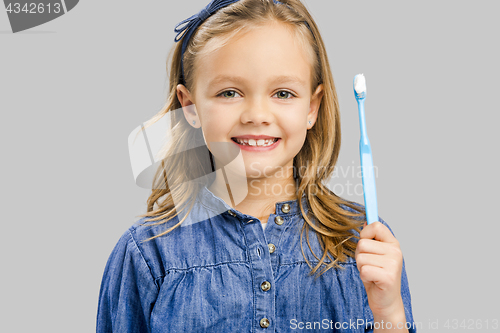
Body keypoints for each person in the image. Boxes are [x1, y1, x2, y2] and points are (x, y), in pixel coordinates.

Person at [96, 0, 416, 332]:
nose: (256, 115)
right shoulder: (147, 253)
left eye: (283, 93)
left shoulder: (362, 244)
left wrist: (388, 312)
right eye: (230, 92)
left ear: (312, 106)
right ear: (190, 107)